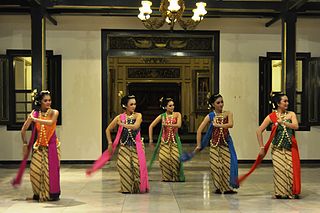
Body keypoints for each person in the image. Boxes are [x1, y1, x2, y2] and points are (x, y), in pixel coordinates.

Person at [239, 93, 300, 199]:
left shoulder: (291, 114)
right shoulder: (271, 116)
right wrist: (262, 147)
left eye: (287, 101)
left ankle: (290, 192)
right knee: (279, 170)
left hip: (290, 148)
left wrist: (283, 123)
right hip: (277, 149)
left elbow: (296, 126)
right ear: (278, 103)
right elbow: (259, 131)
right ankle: (280, 192)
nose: (287, 103)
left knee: (289, 170)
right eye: (284, 101)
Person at [86, 95, 149, 194]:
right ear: (125, 105)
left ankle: (137, 187)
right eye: (131, 104)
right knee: (124, 167)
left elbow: (136, 126)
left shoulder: (138, 115)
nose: (134, 106)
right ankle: (126, 188)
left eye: (135, 104)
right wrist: (110, 143)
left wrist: (122, 125)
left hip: (137, 148)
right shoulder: (119, 117)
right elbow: (107, 130)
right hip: (124, 148)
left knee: (138, 168)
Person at [12, 90, 61, 202]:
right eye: (45, 100)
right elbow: (23, 129)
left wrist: (35, 119)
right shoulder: (34, 113)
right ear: (40, 102)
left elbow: (50, 122)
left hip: (52, 146)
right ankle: (37, 194)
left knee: (50, 172)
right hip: (39, 147)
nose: (48, 102)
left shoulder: (54, 112)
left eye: (49, 100)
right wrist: (24, 143)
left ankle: (51, 195)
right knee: (34, 171)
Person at [195, 94, 238, 194]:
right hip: (214, 145)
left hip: (226, 144)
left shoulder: (228, 113)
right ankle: (218, 187)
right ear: (213, 104)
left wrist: (218, 125)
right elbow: (199, 130)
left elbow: (230, 124)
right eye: (218, 103)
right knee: (215, 166)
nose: (221, 104)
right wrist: (198, 145)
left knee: (227, 165)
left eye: (222, 102)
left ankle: (227, 188)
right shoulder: (210, 116)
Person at [148, 97, 185, 182]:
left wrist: (167, 125)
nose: (172, 107)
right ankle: (167, 177)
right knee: (163, 159)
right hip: (164, 142)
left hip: (175, 142)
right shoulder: (162, 116)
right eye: (170, 106)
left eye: (173, 105)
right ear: (165, 107)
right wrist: (150, 140)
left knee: (176, 158)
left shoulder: (177, 114)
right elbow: (151, 126)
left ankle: (175, 177)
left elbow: (179, 125)